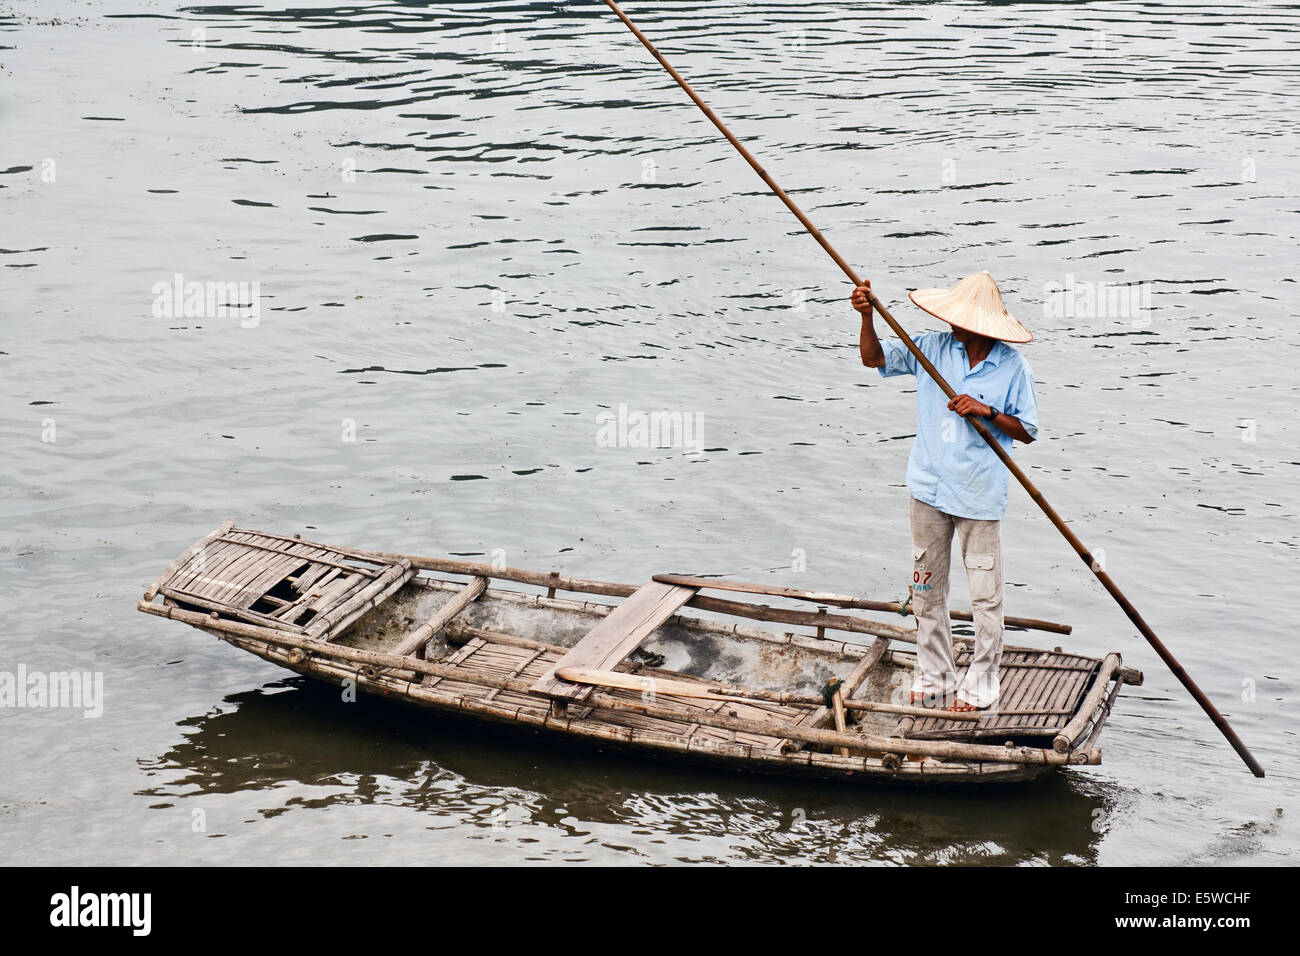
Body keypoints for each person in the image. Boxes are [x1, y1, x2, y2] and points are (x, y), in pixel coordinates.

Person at [852, 272, 1038, 713]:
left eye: (964, 320)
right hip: (928, 487)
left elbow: (1027, 431)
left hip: (978, 495)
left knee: (985, 596)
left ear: (985, 326)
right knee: (926, 588)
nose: (954, 325)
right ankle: (935, 674)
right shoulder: (930, 349)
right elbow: (873, 358)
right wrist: (866, 317)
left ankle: (981, 685)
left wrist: (986, 410)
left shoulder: (1011, 366)